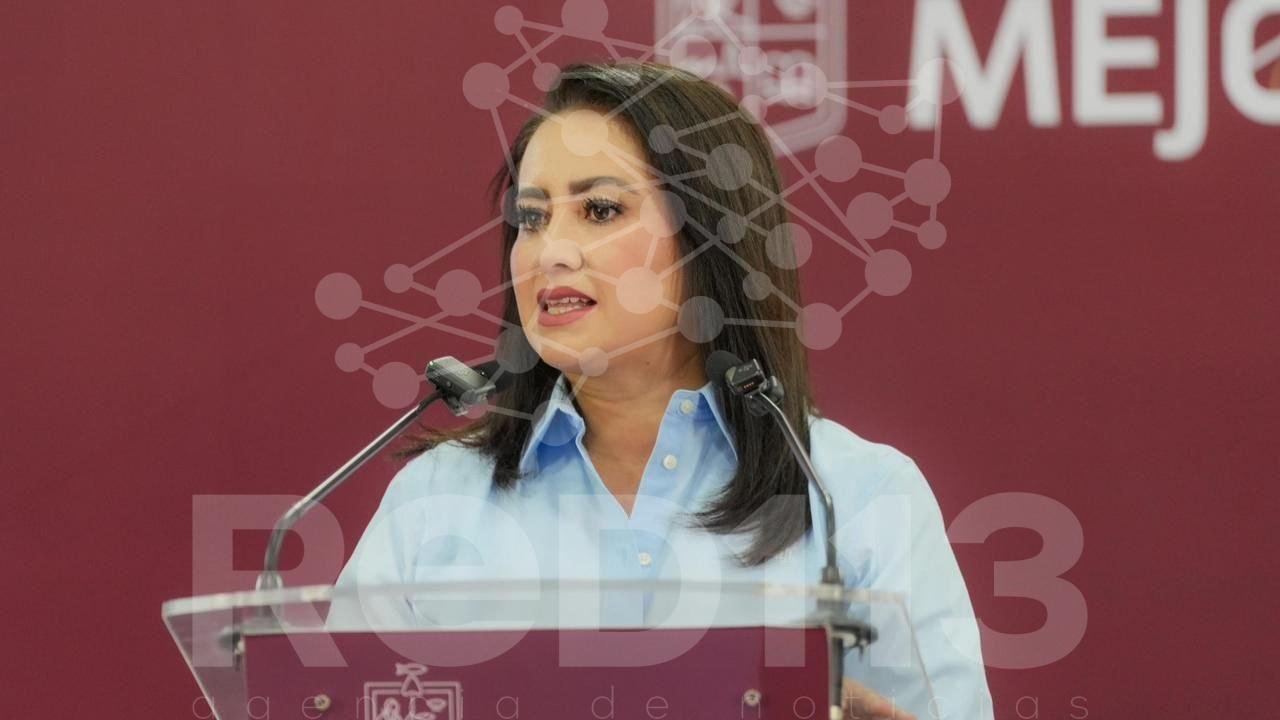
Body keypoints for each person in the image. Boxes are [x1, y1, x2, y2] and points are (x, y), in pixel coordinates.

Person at [334, 61, 993, 720]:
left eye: (599, 210)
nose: (550, 251)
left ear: (710, 235)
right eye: (531, 218)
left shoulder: (856, 494)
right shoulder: (434, 499)